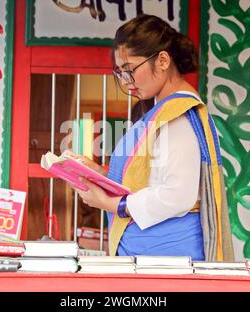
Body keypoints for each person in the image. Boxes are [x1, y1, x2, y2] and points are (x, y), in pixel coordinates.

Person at [72, 14, 234, 261]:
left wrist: (114, 205)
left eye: (130, 71)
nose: (127, 83)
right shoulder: (160, 109)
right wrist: (99, 174)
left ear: (162, 60)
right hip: (151, 259)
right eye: (121, 74)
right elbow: (148, 179)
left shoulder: (178, 115)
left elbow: (178, 195)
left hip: (167, 262)